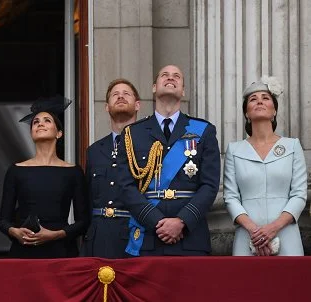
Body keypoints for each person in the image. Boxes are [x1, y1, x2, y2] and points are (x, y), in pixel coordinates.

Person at [116, 65, 220, 256]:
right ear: (154, 87)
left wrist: (181, 221)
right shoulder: (132, 133)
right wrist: (157, 221)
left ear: (183, 91)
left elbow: (210, 185)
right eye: (164, 75)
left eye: (176, 76)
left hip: (190, 236)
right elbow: (125, 186)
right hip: (148, 235)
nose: (170, 78)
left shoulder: (203, 130)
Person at [224, 76, 307, 256]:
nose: (259, 101)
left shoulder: (292, 146)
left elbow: (299, 194)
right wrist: (255, 230)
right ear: (246, 113)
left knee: (289, 283)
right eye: (253, 99)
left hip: (286, 233)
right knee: (245, 284)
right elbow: (230, 197)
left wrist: (273, 228)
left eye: (265, 98)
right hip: (247, 235)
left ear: (274, 110)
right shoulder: (234, 149)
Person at [0, 96, 89, 259]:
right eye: (35, 122)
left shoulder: (73, 172)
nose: (40, 123)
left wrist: (56, 234)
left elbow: (83, 221)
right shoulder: (16, 170)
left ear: (59, 133)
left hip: (61, 251)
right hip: (24, 249)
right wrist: (15, 232)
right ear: (31, 133)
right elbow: (3, 220)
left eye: (47, 120)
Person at [81, 79, 141, 259]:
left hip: (136, 234)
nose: (120, 96)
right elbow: (88, 198)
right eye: (115, 95)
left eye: (126, 94)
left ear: (137, 105)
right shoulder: (94, 151)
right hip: (99, 237)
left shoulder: (151, 146)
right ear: (107, 106)